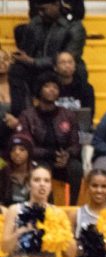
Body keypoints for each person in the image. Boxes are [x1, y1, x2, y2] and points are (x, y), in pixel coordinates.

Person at [9, 0, 86, 116]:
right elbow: (27, 51)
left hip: (59, 67)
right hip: (37, 68)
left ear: (56, 4)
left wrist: (34, 62)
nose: (40, 13)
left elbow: (71, 56)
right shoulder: (35, 23)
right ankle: (25, 114)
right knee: (16, 70)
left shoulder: (74, 26)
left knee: (72, 68)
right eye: (38, 10)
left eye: (44, 9)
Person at [17, 72, 82, 204]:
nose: (52, 90)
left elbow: (76, 144)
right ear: (39, 90)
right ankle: (47, 207)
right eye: (47, 86)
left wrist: (67, 154)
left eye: (55, 87)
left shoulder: (68, 115)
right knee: (42, 171)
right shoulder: (27, 115)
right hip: (40, 158)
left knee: (76, 168)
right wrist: (50, 153)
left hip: (62, 159)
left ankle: (72, 206)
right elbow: (27, 146)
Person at [54, 51, 94, 117]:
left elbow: (89, 114)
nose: (67, 65)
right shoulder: (50, 88)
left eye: (70, 62)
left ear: (75, 66)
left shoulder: (85, 88)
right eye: (63, 62)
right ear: (55, 67)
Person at [0, 135, 35, 206]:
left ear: (29, 153)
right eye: (13, 150)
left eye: (22, 149)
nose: (17, 153)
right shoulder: (3, 173)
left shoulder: (37, 172)